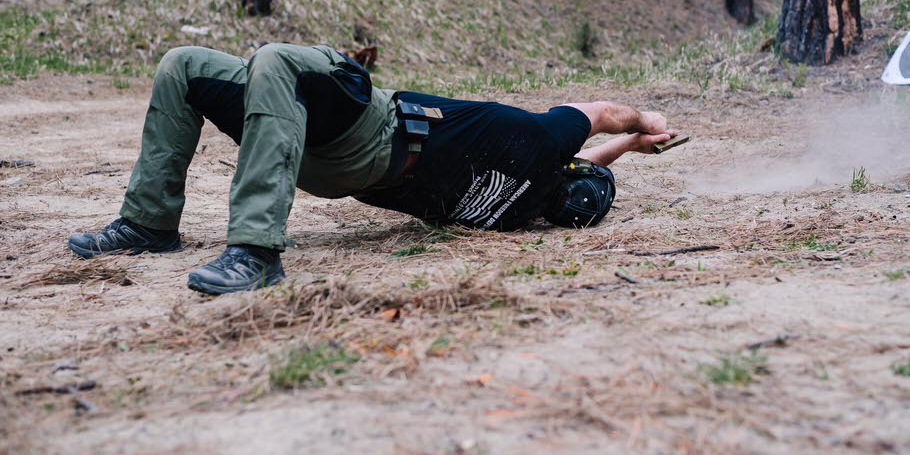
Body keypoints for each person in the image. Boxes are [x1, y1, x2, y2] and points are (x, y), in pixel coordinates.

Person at [68, 44, 677, 295]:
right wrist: (625, 151)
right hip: (326, 166)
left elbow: (598, 116)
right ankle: (148, 226)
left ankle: (255, 252)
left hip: (371, 128)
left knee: (277, 60)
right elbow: (587, 164)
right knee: (183, 67)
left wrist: (641, 124)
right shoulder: (517, 212)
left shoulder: (543, 142)